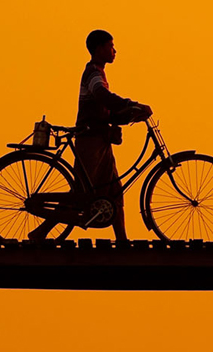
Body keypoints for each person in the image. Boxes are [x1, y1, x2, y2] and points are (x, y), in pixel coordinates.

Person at [29, 29, 151, 243]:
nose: (114, 51)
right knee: (82, 192)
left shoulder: (98, 72)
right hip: (90, 138)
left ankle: (121, 239)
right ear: (99, 48)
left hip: (100, 139)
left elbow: (105, 109)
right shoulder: (93, 72)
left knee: (113, 190)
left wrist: (128, 114)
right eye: (110, 46)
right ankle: (40, 232)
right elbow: (101, 95)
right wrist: (129, 104)